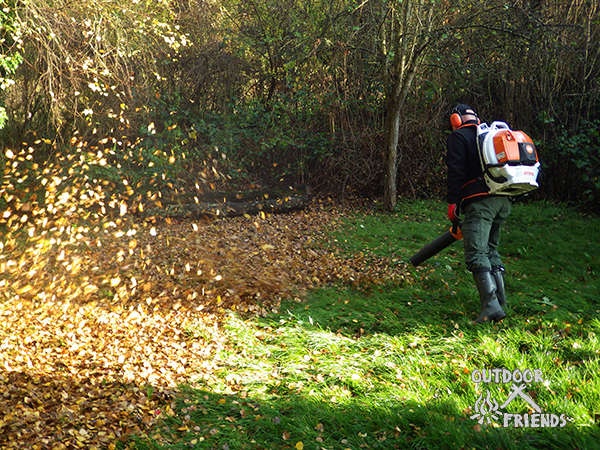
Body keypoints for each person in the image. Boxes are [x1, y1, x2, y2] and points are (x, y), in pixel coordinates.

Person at [446, 104, 511, 323]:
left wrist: (453, 202)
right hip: (503, 199)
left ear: (456, 120)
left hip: (480, 202)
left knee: (476, 253)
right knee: (491, 249)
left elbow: (456, 171)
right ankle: (500, 303)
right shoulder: (487, 135)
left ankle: (491, 308)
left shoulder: (459, 136)